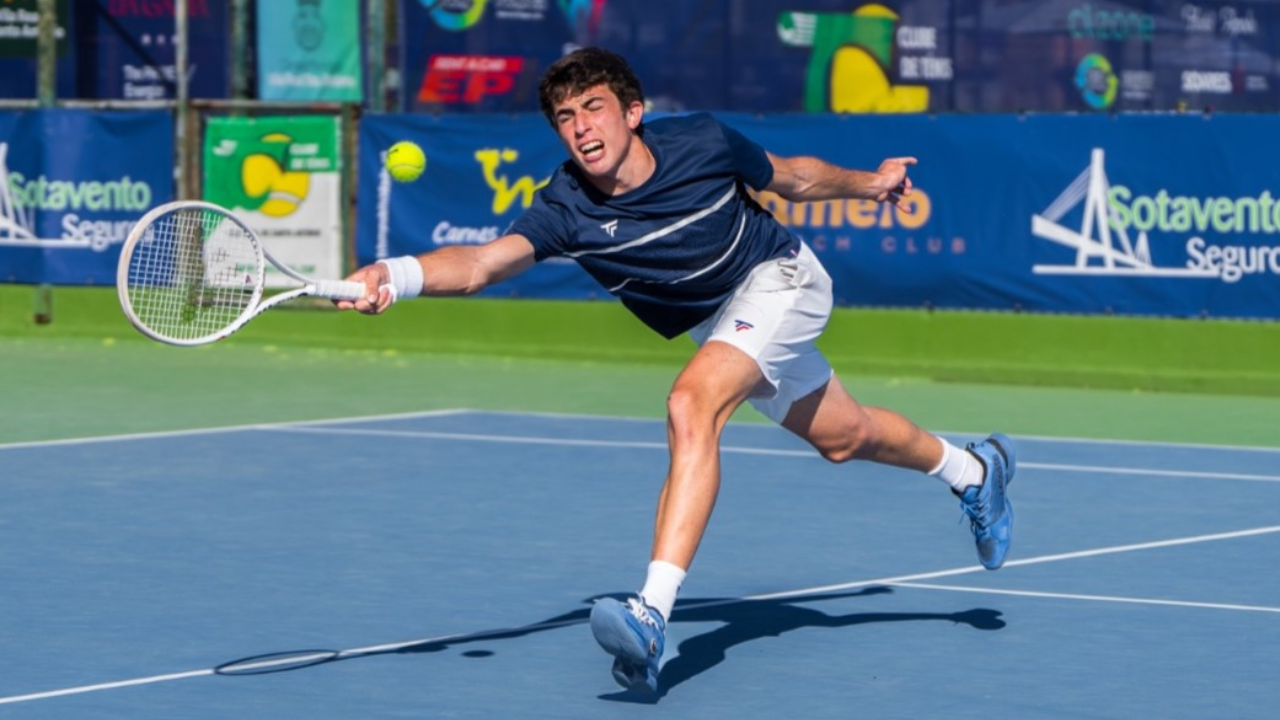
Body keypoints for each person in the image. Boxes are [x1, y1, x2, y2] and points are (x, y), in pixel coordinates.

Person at [338, 47, 1015, 694]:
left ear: (633, 112)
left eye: (594, 108)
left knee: (691, 404)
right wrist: (395, 275)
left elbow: (795, 178)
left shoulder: (702, 141)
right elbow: (482, 263)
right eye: (566, 118)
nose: (581, 128)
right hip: (720, 322)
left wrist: (873, 183)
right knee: (845, 437)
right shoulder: (566, 206)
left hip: (779, 279)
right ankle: (974, 470)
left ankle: (651, 615)